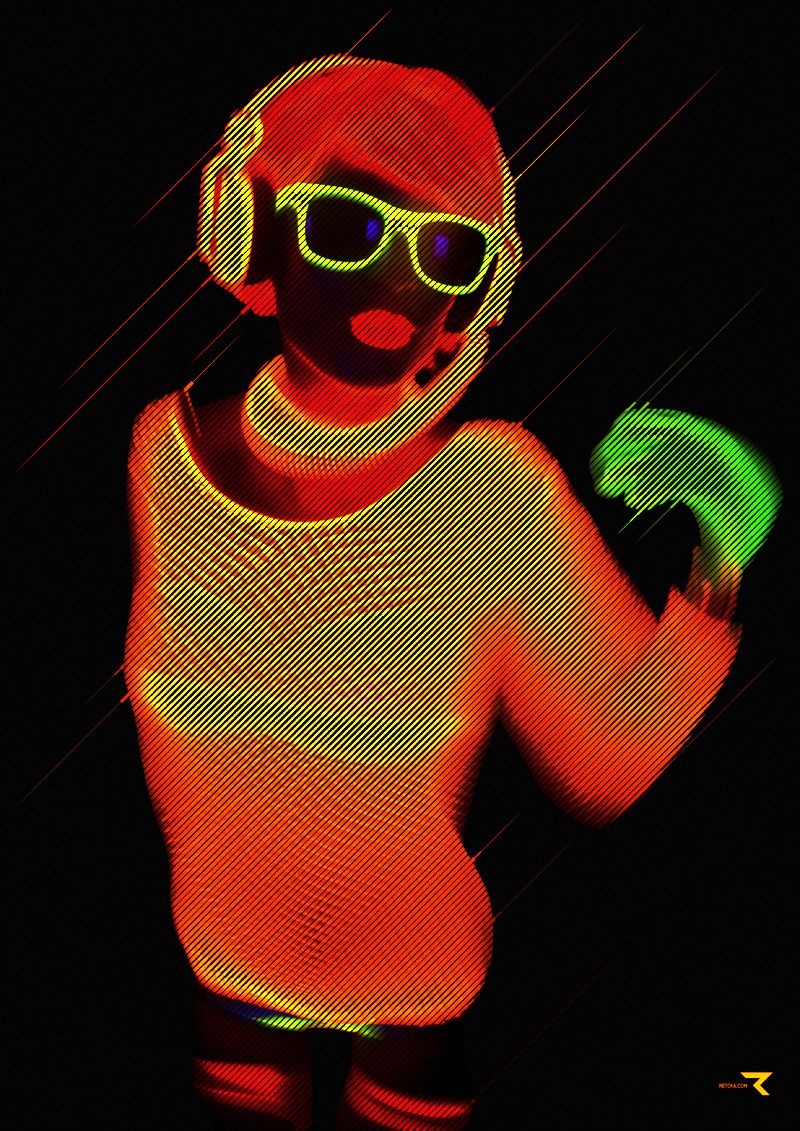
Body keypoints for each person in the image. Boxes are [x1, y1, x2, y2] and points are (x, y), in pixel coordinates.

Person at [123, 55, 780, 1130]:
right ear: (248, 236)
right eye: (346, 228)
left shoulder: (494, 488)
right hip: (224, 977)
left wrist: (722, 548)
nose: (398, 282)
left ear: (478, 293)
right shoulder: (162, 454)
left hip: (414, 995)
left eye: (444, 249)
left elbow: (604, 765)